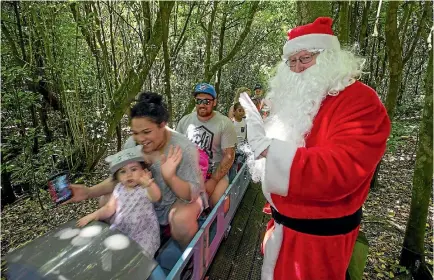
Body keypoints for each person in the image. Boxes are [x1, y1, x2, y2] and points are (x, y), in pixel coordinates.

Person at [239, 17, 391, 280]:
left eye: (305, 58)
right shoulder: (293, 101)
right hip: (282, 229)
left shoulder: (361, 101)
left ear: (329, 57)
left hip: (320, 244)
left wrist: (268, 150)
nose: (297, 68)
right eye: (292, 61)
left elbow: (340, 170)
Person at [65, 92, 206, 248]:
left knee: (181, 221)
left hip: (176, 201)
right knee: (105, 200)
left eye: (146, 132)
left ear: (163, 124)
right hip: (145, 199)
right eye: (135, 133)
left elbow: (191, 195)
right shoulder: (132, 145)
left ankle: (191, 260)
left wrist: (170, 177)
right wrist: (88, 192)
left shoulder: (183, 148)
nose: (140, 139)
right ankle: (126, 250)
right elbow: (122, 179)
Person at [77, 146, 161, 258]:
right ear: (117, 177)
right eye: (123, 171)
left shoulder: (145, 188)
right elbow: (109, 208)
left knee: (140, 257)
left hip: (143, 233)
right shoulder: (118, 188)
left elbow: (156, 197)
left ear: (144, 171)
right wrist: (93, 215)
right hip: (122, 229)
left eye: (134, 169)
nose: (129, 174)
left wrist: (149, 184)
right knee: (109, 251)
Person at [177, 83, 237, 208]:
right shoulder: (185, 121)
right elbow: (178, 149)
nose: (202, 104)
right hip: (191, 172)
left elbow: (229, 156)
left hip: (215, 172)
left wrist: (214, 180)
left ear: (214, 102)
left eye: (207, 101)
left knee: (217, 202)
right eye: (199, 101)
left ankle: (222, 226)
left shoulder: (224, 123)